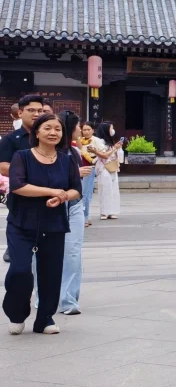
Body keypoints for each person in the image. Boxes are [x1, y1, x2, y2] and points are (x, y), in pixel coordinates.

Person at [3, 112, 82, 334]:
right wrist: (51, 191)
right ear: (36, 132)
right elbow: (18, 185)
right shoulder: (22, 156)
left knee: (51, 273)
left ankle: (45, 319)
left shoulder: (67, 159)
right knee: (20, 271)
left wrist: (64, 196)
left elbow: (77, 189)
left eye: (57, 129)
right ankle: (17, 314)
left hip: (53, 223)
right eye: (47, 128)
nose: (53, 132)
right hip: (21, 224)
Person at [58, 111, 94, 316]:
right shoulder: (48, 153)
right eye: (78, 126)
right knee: (49, 254)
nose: (81, 130)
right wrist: (75, 174)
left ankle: (69, 300)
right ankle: (44, 296)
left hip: (74, 205)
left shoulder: (75, 152)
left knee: (73, 253)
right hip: (54, 205)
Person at [0, 93, 48, 176]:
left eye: (40, 111)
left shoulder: (49, 137)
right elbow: (3, 168)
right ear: (20, 113)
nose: (36, 114)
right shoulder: (9, 139)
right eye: (31, 110)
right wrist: (36, 172)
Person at [89, 121, 123, 221]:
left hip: (112, 167)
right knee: (105, 189)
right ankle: (104, 212)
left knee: (113, 189)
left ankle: (112, 211)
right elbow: (104, 155)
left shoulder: (110, 141)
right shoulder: (100, 141)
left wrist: (116, 147)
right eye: (111, 128)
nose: (113, 130)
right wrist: (114, 149)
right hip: (104, 168)